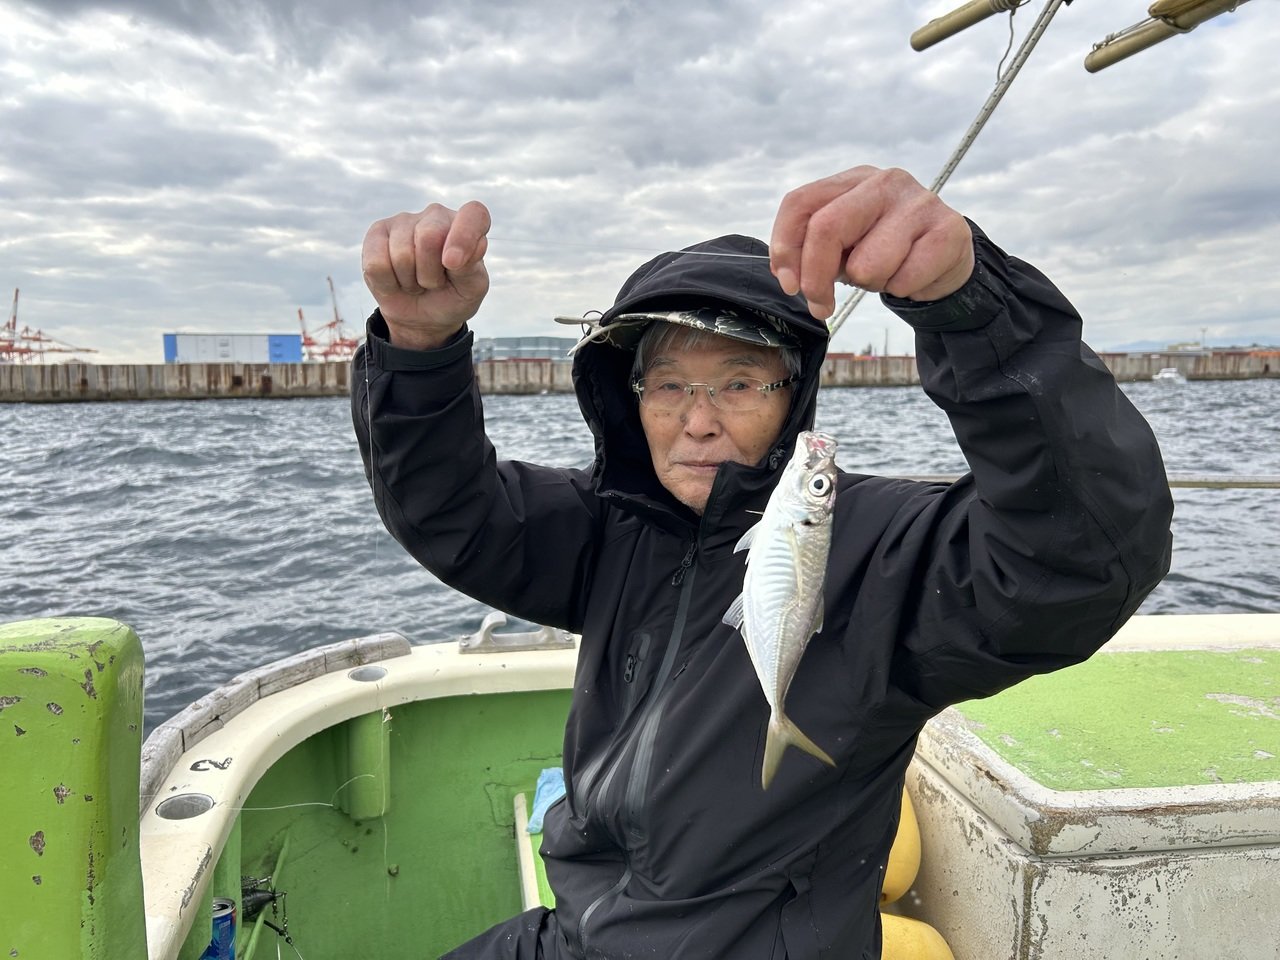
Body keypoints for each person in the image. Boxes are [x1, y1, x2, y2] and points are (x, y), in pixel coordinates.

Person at [352, 165, 1173, 960]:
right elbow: (451, 511)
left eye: (740, 383)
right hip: (578, 932)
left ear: (794, 398)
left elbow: (1079, 557)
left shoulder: (878, 550)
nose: (696, 422)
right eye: (668, 385)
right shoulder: (613, 527)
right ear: (628, 398)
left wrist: (971, 305)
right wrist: (420, 347)